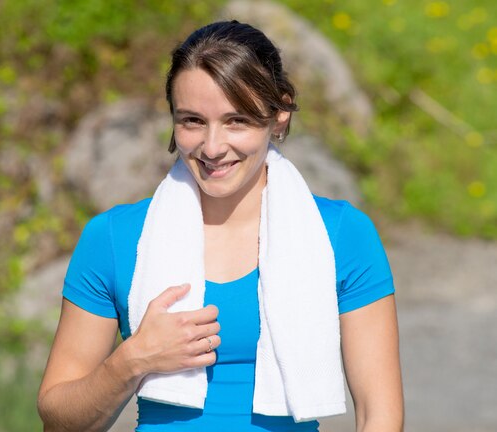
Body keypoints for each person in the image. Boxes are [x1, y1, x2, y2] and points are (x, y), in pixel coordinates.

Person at [37, 20, 403, 432]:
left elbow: (379, 415)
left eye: (236, 121)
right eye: (192, 121)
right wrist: (131, 360)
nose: (212, 147)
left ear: (279, 115)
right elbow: (59, 420)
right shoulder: (114, 238)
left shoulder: (342, 235)